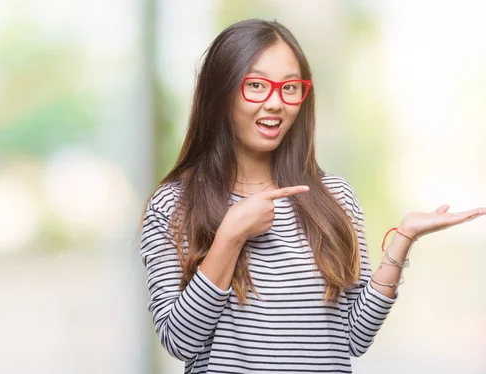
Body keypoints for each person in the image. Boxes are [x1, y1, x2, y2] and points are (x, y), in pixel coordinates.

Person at [138, 19, 485, 373]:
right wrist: (231, 234)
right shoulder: (174, 204)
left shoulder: (335, 197)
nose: (275, 103)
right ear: (221, 91)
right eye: (256, 85)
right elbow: (180, 340)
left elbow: (354, 337)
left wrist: (403, 239)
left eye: (290, 88)